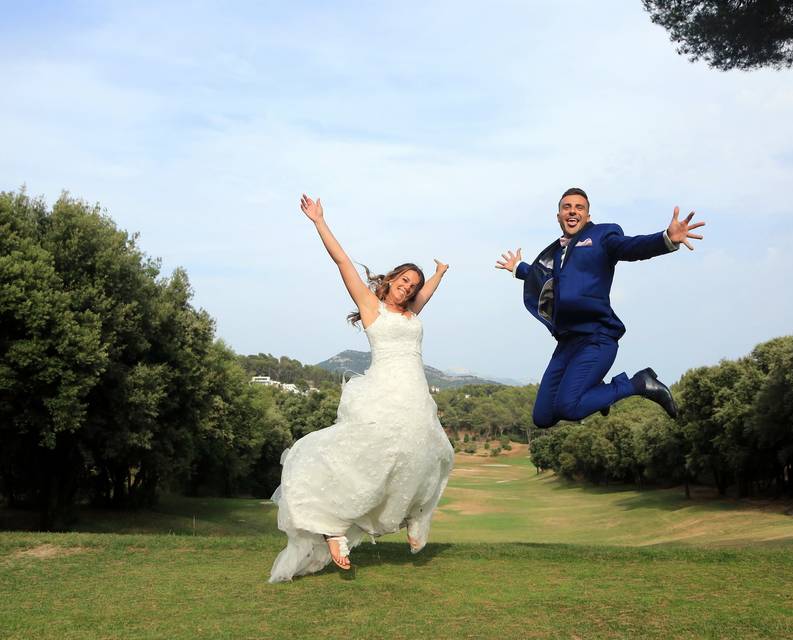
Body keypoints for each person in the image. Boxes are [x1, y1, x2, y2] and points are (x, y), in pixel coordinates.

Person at [268, 194, 454, 582]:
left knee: (427, 450)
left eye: (413, 286)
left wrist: (439, 273)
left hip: (415, 395)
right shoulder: (372, 306)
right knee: (366, 457)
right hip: (383, 392)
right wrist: (319, 221)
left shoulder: (411, 312)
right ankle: (335, 530)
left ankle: (415, 518)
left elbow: (427, 294)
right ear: (391, 280)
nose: (408, 289)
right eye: (404, 281)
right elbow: (342, 262)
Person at [496, 187, 705, 428]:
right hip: (567, 343)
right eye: (567, 207)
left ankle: (639, 383)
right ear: (558, 216)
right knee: (542, 417)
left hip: (597, 338)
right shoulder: (557, 253)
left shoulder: (602, 237)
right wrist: (517, 268)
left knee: (568, 407)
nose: (572, 211)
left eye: (579, 207)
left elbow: (632, 247)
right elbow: (544, 277)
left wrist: (665, 239)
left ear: (587, 216)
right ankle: (598, 394)